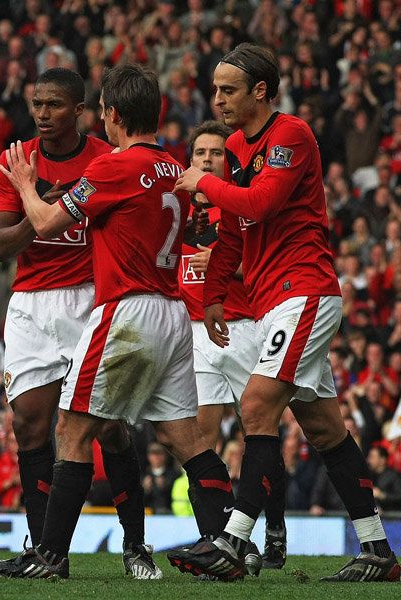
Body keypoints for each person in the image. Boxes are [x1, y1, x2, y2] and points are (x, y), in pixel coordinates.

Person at [0, 63, 234, 580]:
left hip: (126, 308)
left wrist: (30, 186)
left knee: (73, 430)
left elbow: (47, 222)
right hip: (171, 310)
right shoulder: (172, 166)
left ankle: (50, 555)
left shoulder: (110, 167)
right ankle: (224, 542)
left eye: (102, 111)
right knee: (183, 436)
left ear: (112, 114)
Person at [169, 43, 399, 582]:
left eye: (229, 89)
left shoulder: (290, 134)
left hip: (305, 292)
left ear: (261, 91)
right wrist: (215, 295)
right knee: (324, 430)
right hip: (275, 300)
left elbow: (261, 204)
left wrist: (201, 181)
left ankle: (232, 543)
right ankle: (378, 551)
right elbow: (232, 227)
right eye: (216, 88)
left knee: (255, 407)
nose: (218, 98)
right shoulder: (232, 145)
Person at [0, 67, 164, 580]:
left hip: (92, 297)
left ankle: (135, 544)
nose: (42, 114)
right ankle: (45, 551)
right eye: (36, 104)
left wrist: (44, 203)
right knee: (29, 424)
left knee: (107, 428)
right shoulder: (15, 161)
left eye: (54, 105)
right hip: (31, 304)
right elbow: (1, 247)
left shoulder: (108, 159)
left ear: (81, 110)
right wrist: (32, 202)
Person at [179, 120, 288, 569]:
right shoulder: (176, 208)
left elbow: (264, 264)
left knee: (257, 432)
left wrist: (226, 266)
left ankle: (275, 525)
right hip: (194, 333)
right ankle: (218, 535)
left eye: (217, 153)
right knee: (200, 439)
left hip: (244, 326)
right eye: (200, 152)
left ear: (231, 160)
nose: (208, 159)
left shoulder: (241, 206)